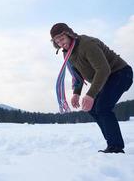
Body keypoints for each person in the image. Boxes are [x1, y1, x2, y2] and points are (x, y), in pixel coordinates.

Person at [50, 23, 133, 153]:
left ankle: (116, 147)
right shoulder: (67, 53)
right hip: (106, 79)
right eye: (57, 41)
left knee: (103, 107)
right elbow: (77, 76)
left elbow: (104, 69)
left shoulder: (86, 44)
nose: (61, 43)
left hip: (120, 73)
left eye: (62, 38)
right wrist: (76, 93)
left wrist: (90, 94)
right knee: (93, 109)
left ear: (69, 34)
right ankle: (112, 144)